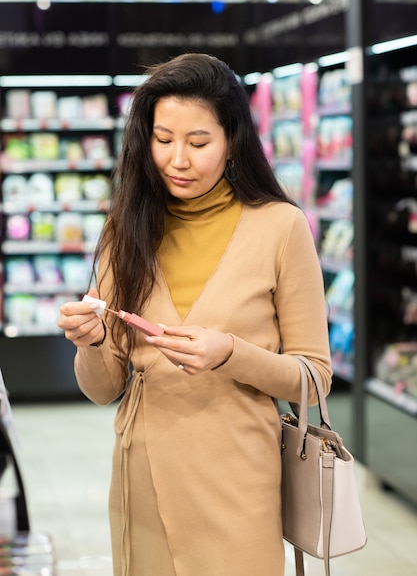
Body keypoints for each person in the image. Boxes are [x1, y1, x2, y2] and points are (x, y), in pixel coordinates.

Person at [58, 52, 332, 576]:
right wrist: (90, 342)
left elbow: (314, 379)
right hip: (143, 477)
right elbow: (102, 387)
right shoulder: (126, 229)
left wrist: (231, 353)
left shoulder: (280, 227)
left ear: (232, 140)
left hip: (237, 482)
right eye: (163, 140)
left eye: (198, 143)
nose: (177, 160)